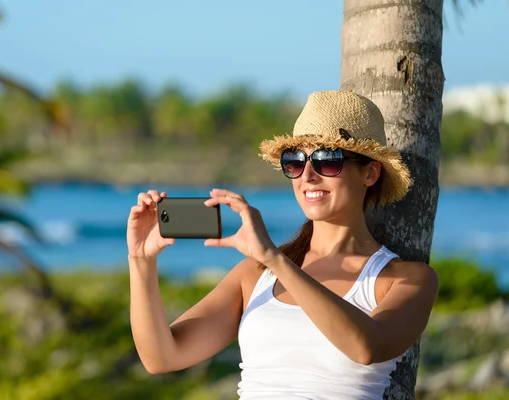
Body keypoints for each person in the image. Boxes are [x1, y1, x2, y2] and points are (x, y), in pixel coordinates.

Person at [127, 90, 439, 399]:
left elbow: (366, 347)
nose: (308, 176)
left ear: (370, 173)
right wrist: (141, 260)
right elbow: (162, 357)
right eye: (296, 161)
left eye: (327, 160)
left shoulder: (408, 279)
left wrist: (276, 260)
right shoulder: (255, 275)